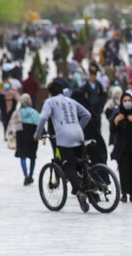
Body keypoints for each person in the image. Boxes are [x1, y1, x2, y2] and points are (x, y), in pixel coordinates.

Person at [34, 81, 92, 213]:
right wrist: (77, 127)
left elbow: (43, 118)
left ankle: (79, 193)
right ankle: (90, 187)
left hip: (64, 137)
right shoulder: (70, 101)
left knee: (69, 166)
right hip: (79, 134)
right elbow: (87, 115)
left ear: (50, 93)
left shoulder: (50, 102)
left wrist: (38, 134)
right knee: (81, 164)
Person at [11, 94, 40, 185]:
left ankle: (26, 175)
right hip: (33, 136)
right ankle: (31, 175)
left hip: (21, 136)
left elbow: (11, 125)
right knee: (32, 156)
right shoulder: (34, 112)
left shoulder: (17, 113)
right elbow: (39, 125)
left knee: (22, 155)